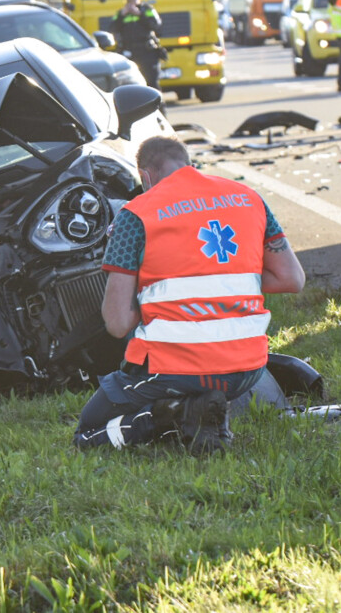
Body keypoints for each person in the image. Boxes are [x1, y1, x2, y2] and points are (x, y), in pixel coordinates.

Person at [73, 135, 306, 453]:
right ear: (189, 165)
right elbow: (292, 278)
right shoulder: (248, 197)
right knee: (199, 383)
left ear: (146, 176)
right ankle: (203, 421)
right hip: (248, 368)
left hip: (178, 369)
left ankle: (165, 417)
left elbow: (116, 323)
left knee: (88, 432)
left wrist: (156, 291)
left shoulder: (136, 214)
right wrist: (221, 281)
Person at [110, 0, 165, 90]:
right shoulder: (121, 13)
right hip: (129, 53)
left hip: (147, 52)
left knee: (152, 83)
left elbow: (157, 27)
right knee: (131, 86)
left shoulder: (147, 9)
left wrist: (140, 14)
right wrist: (122, 16)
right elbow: (112, 29)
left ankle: (159, 106)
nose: (131, 2)